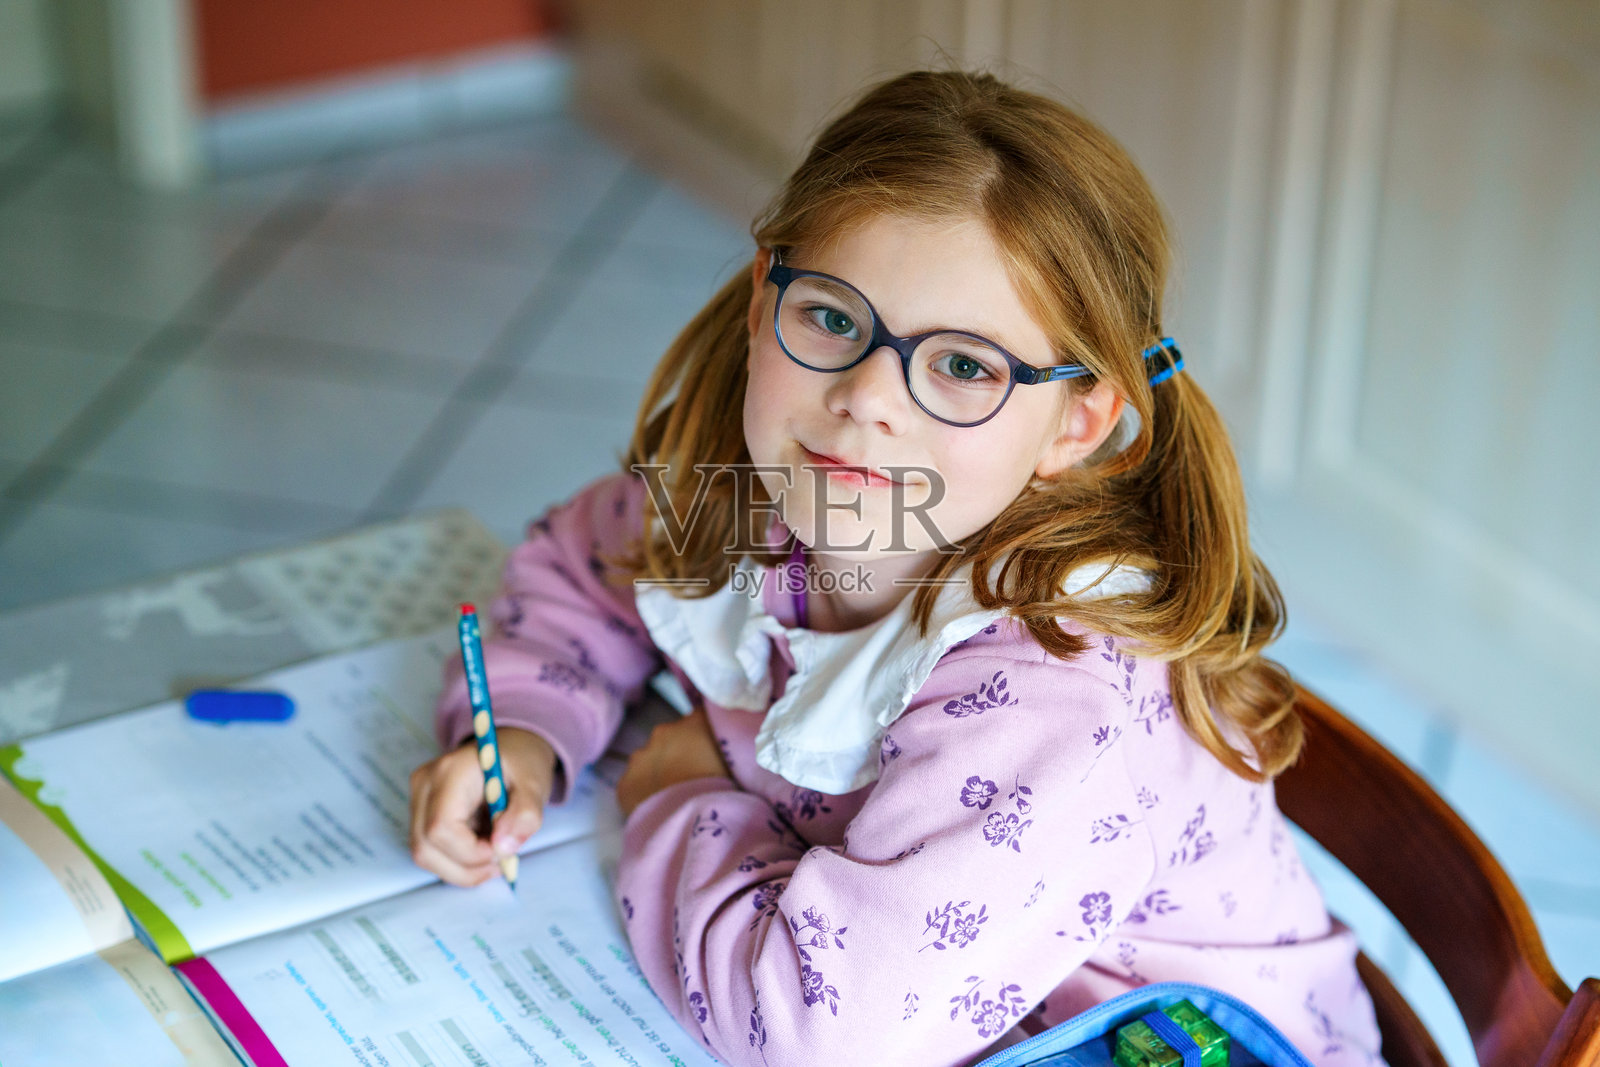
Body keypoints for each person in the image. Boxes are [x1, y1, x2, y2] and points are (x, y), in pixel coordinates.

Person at [407, 70, 1385, 1066]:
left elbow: (819, 1040)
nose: (868, 397)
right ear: (763, 300)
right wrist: (524, 733)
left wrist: (684, 798)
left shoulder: (1055, 694)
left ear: (1075, 422)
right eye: (833, 318)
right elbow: (583, 573)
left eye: (963, 365)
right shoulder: (765, 496)